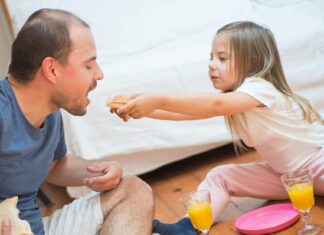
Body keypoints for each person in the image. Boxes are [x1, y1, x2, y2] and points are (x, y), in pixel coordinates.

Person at [114, 21, 324, 235]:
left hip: (317, 165)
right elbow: (184, 115)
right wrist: (141, 109)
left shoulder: (261, 88)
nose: (212, 64)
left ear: (252, 61)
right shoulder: (237, 99)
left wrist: (157, 100)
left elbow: (214, 106)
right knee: (220, 176)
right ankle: (187, 227)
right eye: (211, 57)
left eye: (222, 58)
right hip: (286, 177)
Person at [0, 9, 154, 235]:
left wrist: (96, 172)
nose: (99, 74)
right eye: (88, 65)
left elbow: (53, 166)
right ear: (52, 70)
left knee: (133, 191)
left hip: (35, 228)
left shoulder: (50, 112)